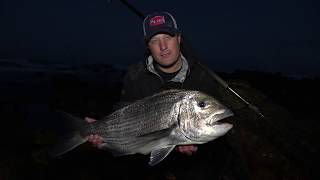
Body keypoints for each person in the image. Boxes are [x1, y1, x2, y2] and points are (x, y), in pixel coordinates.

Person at [86, 11, 249, 180]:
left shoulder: (202, 77)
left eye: (168, 37)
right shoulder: (135, 75)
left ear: (179, 38)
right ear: (147, 46)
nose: (163, 46)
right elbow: (123, 117)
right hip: (141, 161)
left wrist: (194, 145)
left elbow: (212, 139)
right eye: (155, 40)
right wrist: (102, 135)